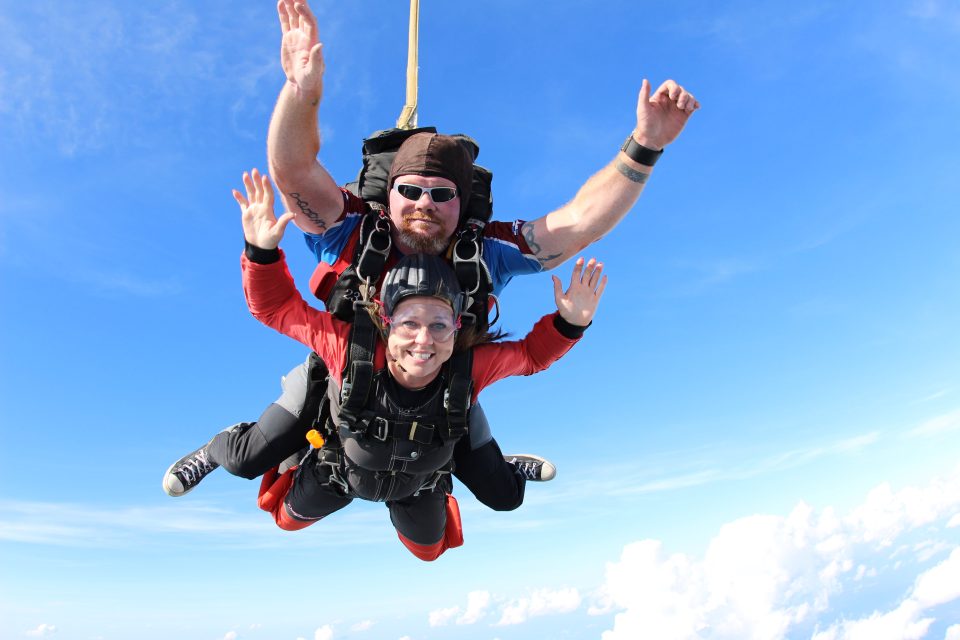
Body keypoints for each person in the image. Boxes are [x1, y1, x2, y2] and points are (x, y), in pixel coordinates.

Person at [162, 0, 699, 511]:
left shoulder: (486, 251)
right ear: (389, 194)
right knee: (254, 455)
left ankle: (489, 464)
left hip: (442, 376)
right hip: (339, 364)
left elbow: (581, 222)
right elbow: (294, 172)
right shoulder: (353, 229)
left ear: (462, 203)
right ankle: (217, 448)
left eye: (443, 194)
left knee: (499, 492)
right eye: (411, 190)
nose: (425, 204)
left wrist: (645, 145)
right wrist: (300, 90)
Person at [237, 169, 606, 560]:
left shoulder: (467, 365)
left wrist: (571, 322)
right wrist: (261, 252)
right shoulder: (351, 350)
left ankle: (494, 465)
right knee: (284, 517)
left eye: (439, 325)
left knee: (474, 520)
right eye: (410, 323)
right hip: (341, 470)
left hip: (419, 479)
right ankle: (231, 450)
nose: (424, 340)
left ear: (457, 326)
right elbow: (278, 309)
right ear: (387, 323)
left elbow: (531, 356)